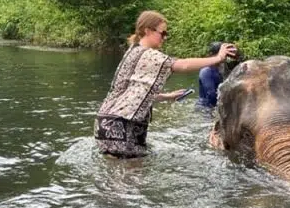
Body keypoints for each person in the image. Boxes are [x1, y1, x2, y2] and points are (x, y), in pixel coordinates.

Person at [94, 11, 237, 158]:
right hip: (123, 126)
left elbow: (131, 93)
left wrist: (167, 96)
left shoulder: (131, 51)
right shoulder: (149, 54)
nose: (165, 37)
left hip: (104, 124)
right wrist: (218, 57)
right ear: (147, 30)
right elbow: (183, 65)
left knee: (116, 176)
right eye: (162, 33)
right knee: (131, 179)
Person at [196, 42, 225, 109]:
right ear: (212, 55)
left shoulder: (220, 68)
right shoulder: (206, 71)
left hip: (215, 104)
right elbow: (211, 94)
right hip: (205, 107)